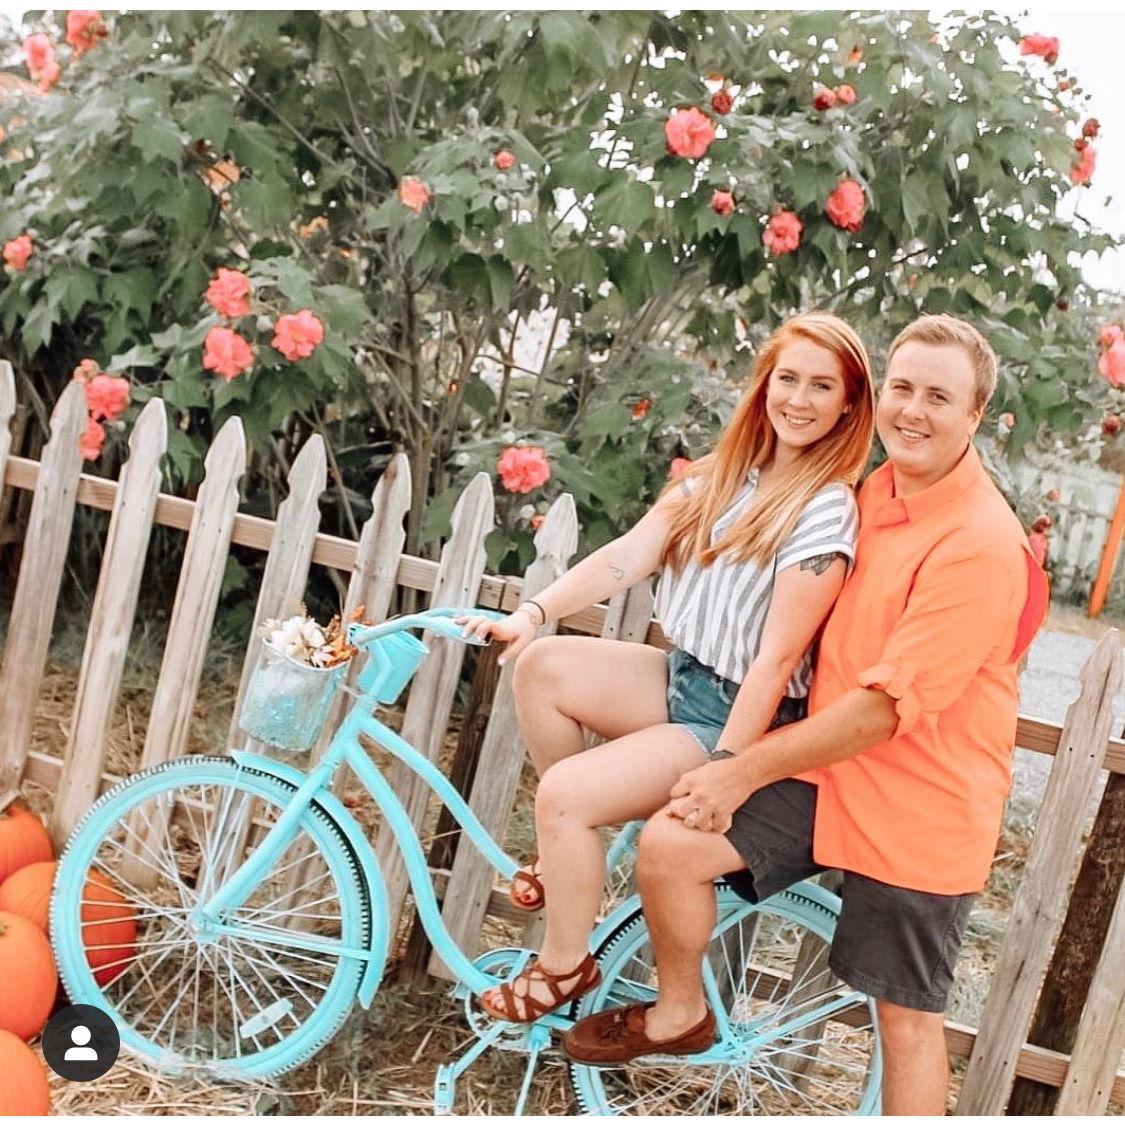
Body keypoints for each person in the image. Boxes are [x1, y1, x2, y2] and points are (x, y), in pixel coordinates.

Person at [561, 314, 1051, 1116]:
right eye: (901, 388)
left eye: (938, 397)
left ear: (975, 414)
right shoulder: (873, 490)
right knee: (672, 845)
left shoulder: (980, 544)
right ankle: (679, 1010)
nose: (912, 410)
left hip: (916, 806)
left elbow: (883, 710)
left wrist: (736, 768)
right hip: (825, 771)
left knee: (904, 1022)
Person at [455, 311, 876, 1024]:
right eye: (788, 379)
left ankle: (562, 966)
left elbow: (776, 658)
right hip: (685, 676)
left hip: (740, 713)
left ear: (847, 404)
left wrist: (728, 770)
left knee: (563, 794)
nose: (799, 400)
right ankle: (566, 853)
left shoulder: (824, 510)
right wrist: (533, 612)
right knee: (543, 666)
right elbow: (628, 555)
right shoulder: (721, 478)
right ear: (764, 383)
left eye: (821, 386)